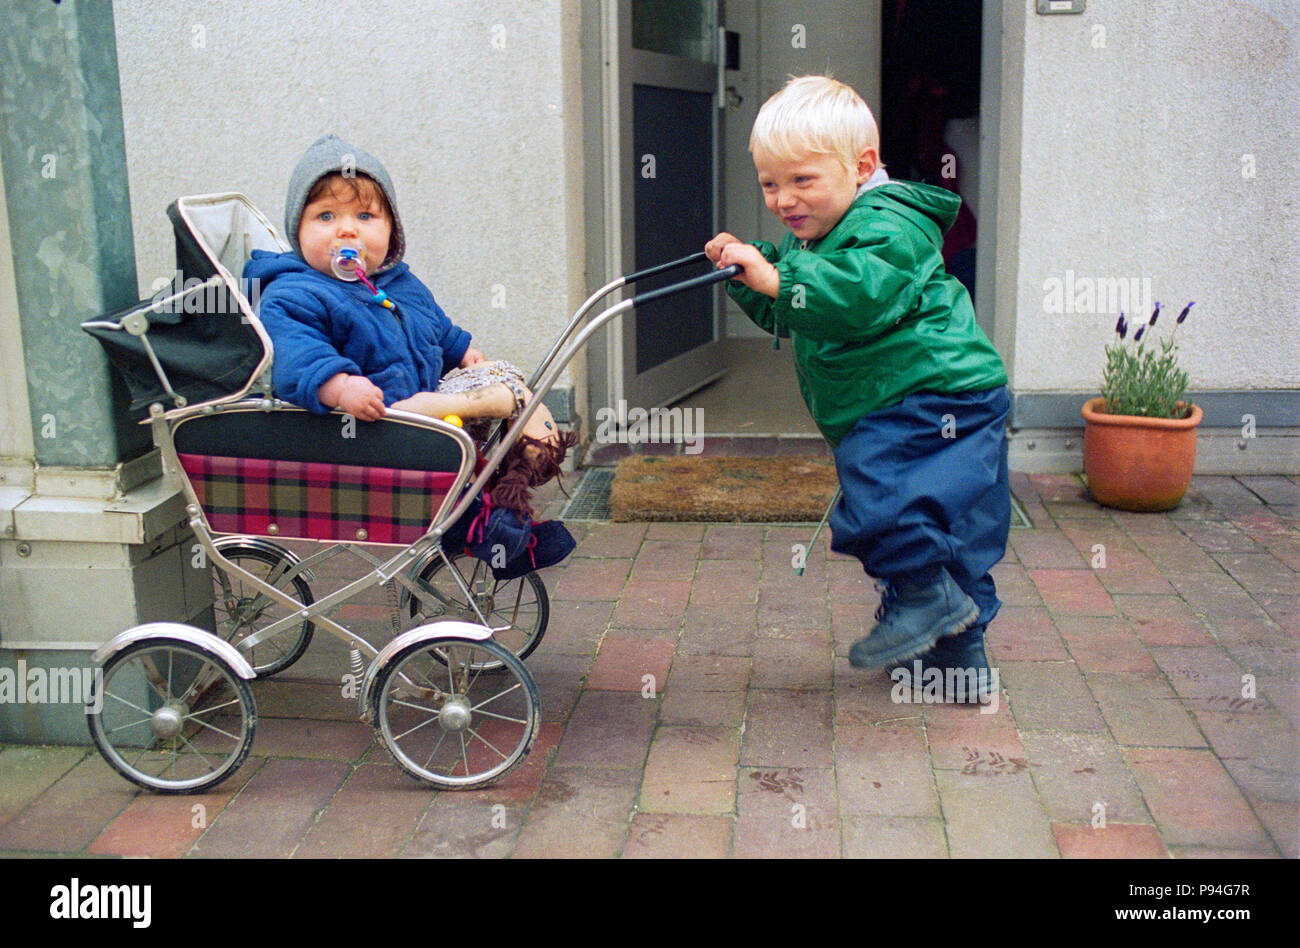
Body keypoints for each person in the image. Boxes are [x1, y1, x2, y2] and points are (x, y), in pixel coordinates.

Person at [705, 76, 1009, 701]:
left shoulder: (890, 226)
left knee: (880, 490)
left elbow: (853, 296)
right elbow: (800, 309)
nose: (784, 200)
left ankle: (923, 598)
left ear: (862, 166)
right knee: (949, 530)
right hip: (920, 395)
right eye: (770, 183)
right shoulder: (818, 231)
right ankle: (961, 664)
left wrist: (777, 279)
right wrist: (748, 274)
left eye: (802, 180)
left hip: (932, 395)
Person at [244, 134, 574, 578]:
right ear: (297, 232)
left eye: (365, 216)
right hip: (366, 430)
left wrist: (461, 352)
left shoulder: (395, 281)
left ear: (391, 230)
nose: (347, 229)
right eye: (326, 216)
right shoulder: (295, 294)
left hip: (420, 410)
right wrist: (339, 386)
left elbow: (430, 323)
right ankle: (480, 531)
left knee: (489, 429)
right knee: (450, 462)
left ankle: (508, 514)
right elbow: (295, 357)